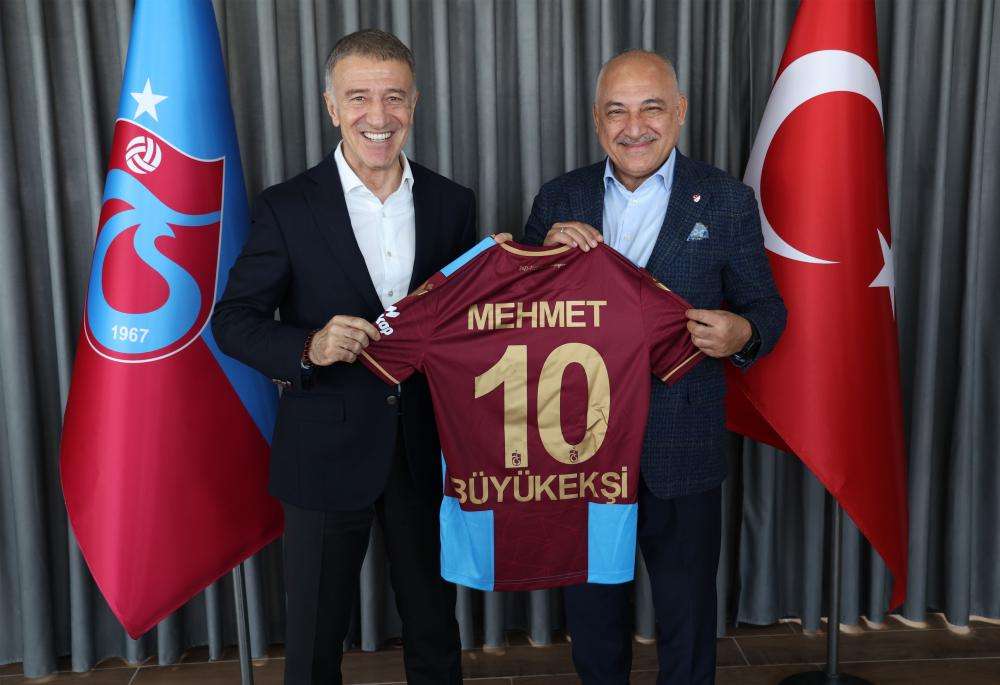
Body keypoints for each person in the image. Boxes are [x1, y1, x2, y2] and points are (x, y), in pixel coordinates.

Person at [212, 29, 470, 684]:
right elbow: (233, 321)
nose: (377, 115)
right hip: (322, 453)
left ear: (414, 102)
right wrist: (308, 345)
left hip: (425, 451)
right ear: (331, 106)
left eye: (393, 97)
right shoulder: (286, 207)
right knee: (313, 642)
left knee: (435, 629)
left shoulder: (452, 203)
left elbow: (465, 326)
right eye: (358, 97)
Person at [523, 50, 787, 684]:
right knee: (591, 611)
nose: (634, 127)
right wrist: (540, 257)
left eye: (652, 108)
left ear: (680, 112)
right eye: (617, 111)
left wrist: (744, 333)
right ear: (596, 119)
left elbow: (766, 307)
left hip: (682, 441)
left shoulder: (725, 200)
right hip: (580, 446)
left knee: (687, 610)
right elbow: (517, 319)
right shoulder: (560, 197)